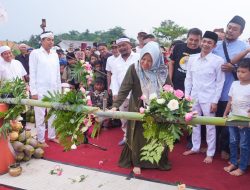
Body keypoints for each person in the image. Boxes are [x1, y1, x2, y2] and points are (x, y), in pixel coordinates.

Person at [111, 41, 171, 175]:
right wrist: (115, 106)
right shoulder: (134, 68)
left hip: (158, 109)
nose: (145, 63)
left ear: (156, 60)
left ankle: (156, 161)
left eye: (150, 61)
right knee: (138, 135)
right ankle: (137, 162)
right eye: (143, 59)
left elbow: (169, 91)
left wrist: (173, 107)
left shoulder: (162, 71)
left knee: (157, 135)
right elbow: (124, 89)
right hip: (138, 108)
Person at [183, 31, 225, 164]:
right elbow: (188, 79)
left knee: (210, 126)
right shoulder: (192, 58)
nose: (206, 44)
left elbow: (220, 82)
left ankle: (210, 153)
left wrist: (215, 101)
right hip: (194, 97)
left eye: (210, 43)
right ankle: (195, 147)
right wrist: (187, 97)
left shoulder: (218, 61)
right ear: (201, 42)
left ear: (214, 46)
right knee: (194, 123)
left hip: (209, 98)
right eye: (205, 41)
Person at [213, 15, 248, 160]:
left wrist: (233, 69)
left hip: (233, 95)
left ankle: (227, 149)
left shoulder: (244, 48)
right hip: (215, 93)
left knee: (229, 124)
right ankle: (213, 147)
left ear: (240, 33)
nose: (230, 30)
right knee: (214, 123)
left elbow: (247, 70)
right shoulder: (216, 45)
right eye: (229, 27)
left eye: (235, 29)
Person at [29, 31, 61, 147]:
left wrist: (59, 91)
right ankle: (41, 139)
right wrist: (34, 91)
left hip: (53, 90)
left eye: (52, 40)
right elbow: (32, 73)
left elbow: (58, 74)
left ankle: (52, 136)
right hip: (40, 90)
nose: (51, 42)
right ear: (42, 41)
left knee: (53, 114)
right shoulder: (35, 53)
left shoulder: (55, 54)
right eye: (48, 39)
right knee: (40, 115)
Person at [223, 58, 250, 176]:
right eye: (238, 71)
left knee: (244, 145)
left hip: (245, 120)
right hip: (232, 117)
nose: (240, 74)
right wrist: (225, 114)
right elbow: (230, 100)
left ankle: (243, 167)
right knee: (232, 142)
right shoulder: (234, 84)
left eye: (243, 72)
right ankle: (233, 162)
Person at [112, 36, 140, 146]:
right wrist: (115, 93)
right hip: (122, 95)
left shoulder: (138, 57)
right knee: (124, 118)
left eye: (124, 45)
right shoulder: (115, 61)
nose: (122, 48)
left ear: (130, 45)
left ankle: (137, 139)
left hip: (137, 94)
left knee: (137, 117)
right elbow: (114, 78)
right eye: (119, 46)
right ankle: (126, 137)